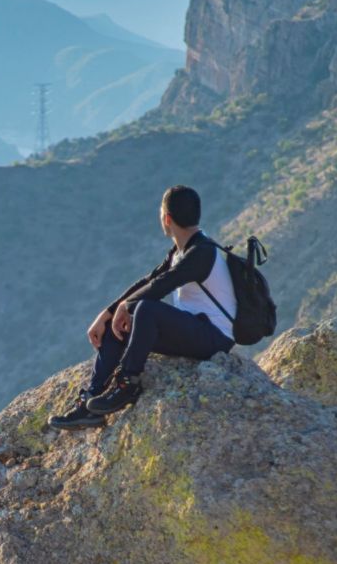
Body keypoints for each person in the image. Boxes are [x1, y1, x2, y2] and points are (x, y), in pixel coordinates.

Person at [49, 184, 237, 429]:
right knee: (120, 321)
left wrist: (127, 306)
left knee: (147, 309)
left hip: (215, 338)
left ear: (166, 218)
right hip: (194, 331)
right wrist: (108, 313)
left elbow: (163, 284)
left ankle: (127, 384)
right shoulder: (180, 251)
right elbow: (149, 280)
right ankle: (89, 405)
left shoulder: (202, 252)